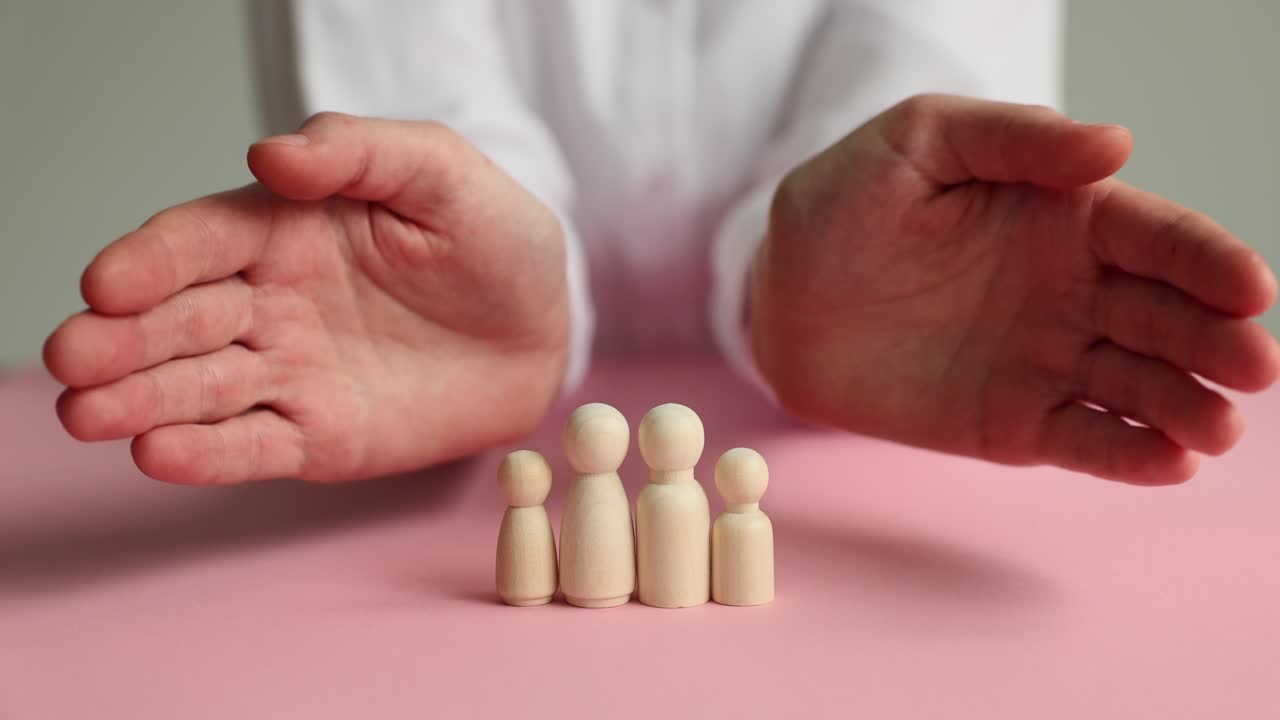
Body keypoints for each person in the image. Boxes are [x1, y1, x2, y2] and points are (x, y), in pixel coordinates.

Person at [41, 1, 1279, 486]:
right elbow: (413, 111)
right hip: (428, 427)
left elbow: (925, 73)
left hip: (865, 432)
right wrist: (482, 269)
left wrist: (820, 271)